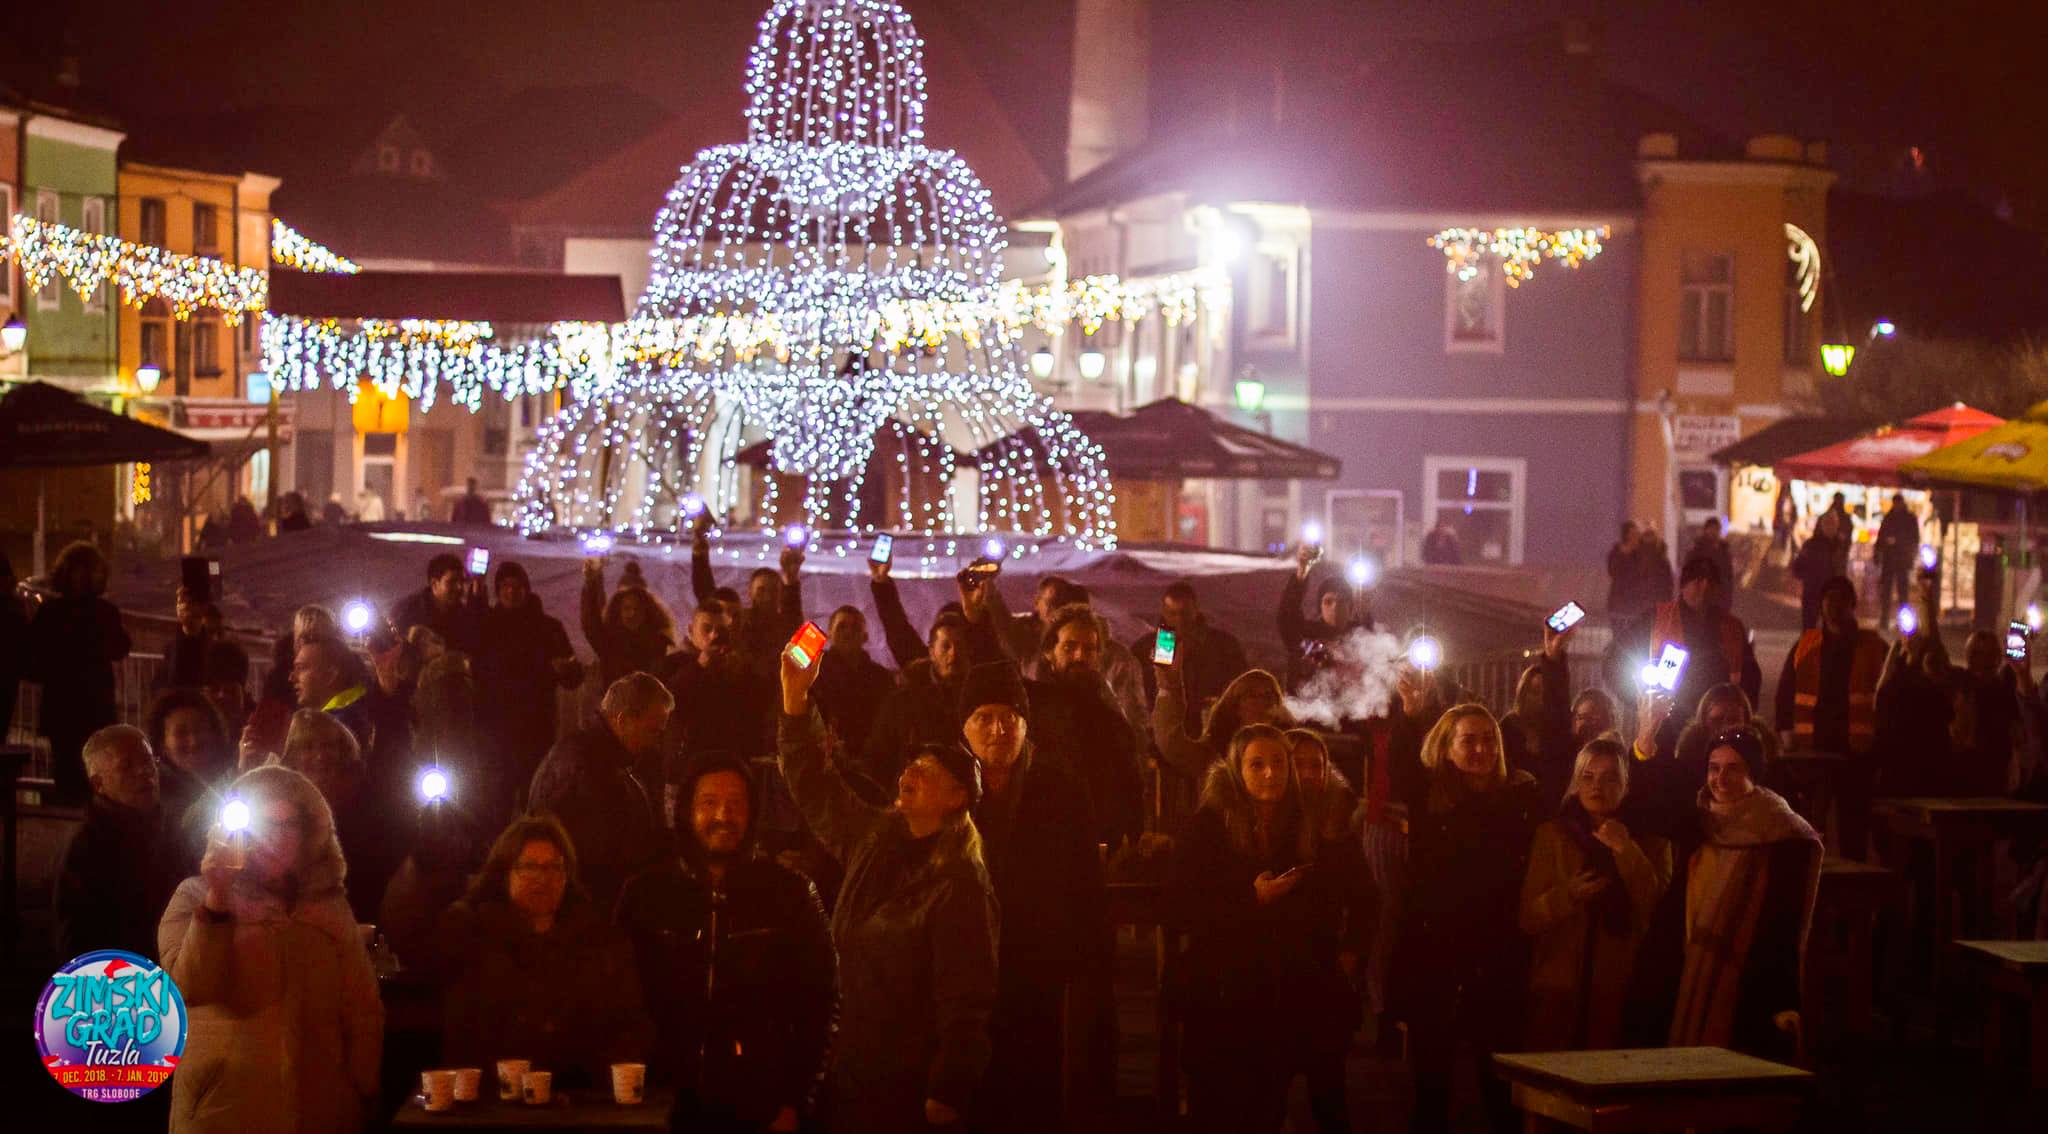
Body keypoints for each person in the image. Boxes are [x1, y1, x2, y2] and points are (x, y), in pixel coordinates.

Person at [777, 646, 998, 1132]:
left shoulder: (960, 884)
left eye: (927, 770)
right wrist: (796, 705)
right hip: (852, 1066)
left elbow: (967, 998)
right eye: (909, 765)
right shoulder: (873, 840)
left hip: (907, 1085)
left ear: (957, 797)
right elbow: (816, 786)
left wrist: (949, 1087)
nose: (908, 774)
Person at [616, 752, 836, 1132]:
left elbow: (822, 1003)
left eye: (735, 803)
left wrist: (797, 1100)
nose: (723, 815)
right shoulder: (646, 894)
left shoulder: (790, 894)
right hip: (662, 1101)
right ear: (686, 811)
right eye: (709, 802)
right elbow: (616, 999)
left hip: (759, 1103)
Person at [158, 763, 383, 1134]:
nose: (275, 838)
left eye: (288, 825)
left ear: (309, 834)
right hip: (224, 1111)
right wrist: (218, 898)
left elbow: (361, 1006)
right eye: (264, 824)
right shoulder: (193, 897)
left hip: (321, 1111)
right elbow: (190, 988)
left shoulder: (329, 907)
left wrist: (361, 1085)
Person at [953, 660, 1113, 1131]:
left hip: (1038, 966)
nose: (998, 730)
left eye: (1010, 717)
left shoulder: (1060, 789)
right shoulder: (946, 789)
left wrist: (1087, 960)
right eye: (984, 717)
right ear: (964, 725)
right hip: (962, 967)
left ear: (1025, 724)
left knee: (1035, 1089)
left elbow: (1085, 883)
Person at [1168, 723, 1351, 1132]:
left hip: (1283, 993)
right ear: (1237, 770)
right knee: (1219, 1106)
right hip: (1221, 991)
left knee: (1267, 1105)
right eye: (1257, 764)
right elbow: (1181, 907)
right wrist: (1251, 899)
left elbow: (1328, 900)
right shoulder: (1208, 826)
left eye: (1278, 763)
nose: (1270, 773)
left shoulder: (1304, 825)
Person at [1391, 704, 1543, 1134]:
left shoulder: (1519, 798)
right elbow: (1402, 766)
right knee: (1432, 1081)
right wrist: (1412, 713)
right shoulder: (1429, 798)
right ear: (1447, 747)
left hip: (1496, 957)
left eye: (1488, 739)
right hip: (1435, 956)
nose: (1480, 749)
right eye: (1468, 740)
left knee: (1500, 1081)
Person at [431, 815, 652, 1087]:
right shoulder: (474, 938)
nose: (542, 878)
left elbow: (626, 1024)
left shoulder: (599, 942)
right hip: (496, 1093)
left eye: (553, 867)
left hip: (579, 1093)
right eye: (529, 867)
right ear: (505, 873)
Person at [1669, 727, 1822, 1057]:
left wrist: (1783, 997)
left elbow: (1785, 924)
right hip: (1692, 966)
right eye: (1714, 768)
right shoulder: (1700, 821)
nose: (1720, 779)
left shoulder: (1780, 831)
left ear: (1752, 773)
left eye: (1733, 768)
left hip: (1747, 978)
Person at [1519, 739, 1672, 1050]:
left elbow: (1654, 908)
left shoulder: (1652, 840)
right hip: (1559, 985)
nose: (1596, 787)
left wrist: (1626, 850)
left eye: (1609, 778)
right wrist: (1568, 895)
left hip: (1618, 986)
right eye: (1587, 777)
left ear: (1626, 784)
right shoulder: (1553, 836)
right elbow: (1528, 917)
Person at [1286, 728, 1372, 1129]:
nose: (1308, 774)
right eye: (1298, 765)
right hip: (1274, 968)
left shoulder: (1338, 823)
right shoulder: (1262, 821)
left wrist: (1352, 950)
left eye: (1316, 766)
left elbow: (1366, 897)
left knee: (1329, 1085)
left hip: (1323, 966)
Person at [526, 672, 669, 909]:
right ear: (623, 720)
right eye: (652, 731)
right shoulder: (590, 766)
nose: (656, 743)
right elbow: (604, 854)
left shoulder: (602, 757)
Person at [1774, 576, 1887, 857]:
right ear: (1821, 605)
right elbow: (1786, 691)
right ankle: (1813, 879)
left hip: (1857, 753)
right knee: (1810, 828)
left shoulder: (1873, 646)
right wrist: (1786, 733)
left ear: (1852, 605)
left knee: (1854, 827)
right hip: (1814, 751)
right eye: (1829, 599)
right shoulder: (1806, 645)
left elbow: (1888, 696)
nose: (1834, 605)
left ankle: (1853, 877)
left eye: (1841, 599)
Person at [53, 725, 183, 961]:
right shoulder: (86, 847)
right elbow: (77, 940)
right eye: (126, 766)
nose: (144, 772)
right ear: (98, 784)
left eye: (148, 761)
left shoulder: (174, 827)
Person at [1027, 604, 1144, 848]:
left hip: (1097, 844)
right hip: (1040, 840)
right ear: (1049, 651)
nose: (1079, 656)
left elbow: (1130, 789)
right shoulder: (1031, 708)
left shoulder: (1111, 721)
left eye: (1088, 649)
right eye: (1069, 647)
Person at [475, 560, 582, 817]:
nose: (511, 591)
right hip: (495, 728)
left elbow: (572, 676)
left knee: (534, 798)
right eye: (505, 586)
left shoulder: (549, 628)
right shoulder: (486, 626)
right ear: (498, 590)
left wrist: (567, 670)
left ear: (527, 588)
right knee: (495, 801)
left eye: (517, 586)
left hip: (536, 728)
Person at [28, 540, 132, 801]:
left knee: (68, 773)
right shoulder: (103, 611)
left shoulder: (51, 611)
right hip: (92, 705)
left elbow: (34, 659)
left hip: (64, 705)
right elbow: (120, 648)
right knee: (95, 772)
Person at [859, 612, 973, 799]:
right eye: (946, 646)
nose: (953, 653)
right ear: (932, 652)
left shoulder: (981, 702)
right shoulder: (902, 703)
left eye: (960, 645)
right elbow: (877, 758)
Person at [660, 606, 778, 775]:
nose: (714, 636)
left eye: (721, 631)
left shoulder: (742, 670)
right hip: (690, 764)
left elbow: (760, 708)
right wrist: (701, 666)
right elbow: (671, 705)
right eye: (707, 629)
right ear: (691, 631)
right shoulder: (673, 664)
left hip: (735, 762)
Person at [1649, 556, 1761, 719]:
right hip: (1667, 719)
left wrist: (1744, 711)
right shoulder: (1657, 617)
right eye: (1698, 581)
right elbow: (1621, 658)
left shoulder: (1732, 626)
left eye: (1711, 582)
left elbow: (1750, 674)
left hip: (1718, 717)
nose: (1705, 587)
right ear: (1683, 585)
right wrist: (1640, 701)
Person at [692, 517, 804, 678]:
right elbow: (707, 598)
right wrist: (699, 555)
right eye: (761, 590)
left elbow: (792, 616)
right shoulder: (740, 622)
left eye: (773, 590)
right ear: (750, 592)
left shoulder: (784, 626)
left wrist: (790, 577)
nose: (767, 596)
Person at [1133, 581, 1250, 733]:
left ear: (1196, 610)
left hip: (1212, 728)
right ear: (1164, 612)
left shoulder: (1223, 645)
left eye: (1184, 613)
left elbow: (1242, 686)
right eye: (1173, 614)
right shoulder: (1145, 648)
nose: (1179, 620)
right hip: (1163, 730)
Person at [1153, 666, 1295, 783]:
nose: (1262, 702)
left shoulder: (1292, 750)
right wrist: (1169, 688)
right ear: (1236, 706)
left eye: (1268, 695)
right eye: (1252, 695)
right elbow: (1172, 744)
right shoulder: (1215, 754)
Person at [147, 688, 235, 870]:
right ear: (163, 745)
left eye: (200, 730)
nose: (193, 741)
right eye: (181, 733)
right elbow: (187, 831)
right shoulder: (155, 790)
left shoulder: (230, 773)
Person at [1499, 626, 1575, 804]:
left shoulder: (1558, 728)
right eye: (1535, 691)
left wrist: (1553, 656)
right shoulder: (1509, 727)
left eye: (1545, 692)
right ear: (1523, 694)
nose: (1541, 698)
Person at [1278, 547, 1370, 691]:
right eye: (1328, 602)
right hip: (1309, 703)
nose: (1335, 607)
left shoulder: (1361, 636)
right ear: (1320, 607)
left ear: (1350, 606)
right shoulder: (1307, 635)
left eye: (1342, 601)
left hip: (1354, 704)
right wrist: (1302, 572)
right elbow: (1287, 616)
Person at [809, 604, 896, 756]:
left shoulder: (882, 679)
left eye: (855, 627)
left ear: (865, 636)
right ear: (829, 634)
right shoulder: (812, 675)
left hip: (872, 759)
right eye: (841, 627)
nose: (848, 632)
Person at [581, 555, 677, 688]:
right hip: (616, 701)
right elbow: (591, 622)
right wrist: (590, 584)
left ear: (647, 611)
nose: (632, 613)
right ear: (618, 611)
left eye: (637, 609)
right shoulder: (609, 642)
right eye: (627, 608)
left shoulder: (659, 643)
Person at [392, 552, 486, 655]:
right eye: (452, 582)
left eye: (462, 581)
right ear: (434, 584)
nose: (459, 587)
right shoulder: (407, 612)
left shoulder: (463, 616)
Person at [290, 633, 371, 744]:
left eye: (301, 668)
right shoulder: (361, 713)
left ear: (331, 674)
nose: (292, 677)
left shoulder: (334, 731)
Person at [1792, 510, 1849, 630]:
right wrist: (1811, 578)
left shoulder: (1840, 545)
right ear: (1822, 525)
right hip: (1813, 594)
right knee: (1810, 629)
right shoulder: (1811, 545)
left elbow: (1841, 569)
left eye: (1833, 523)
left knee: (1831, 630)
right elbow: (1798, 568)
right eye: (1827, 523)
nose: (1830, 527)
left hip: (1833, 596)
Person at [1875, 493, 1920, 614]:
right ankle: (1887, 617)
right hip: (1892, 559)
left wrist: (1897, 541)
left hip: (1900, 559)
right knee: (1889, 591)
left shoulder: (1905, 518)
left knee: (1901, 591)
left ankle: (1899, 617)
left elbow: (1914, 538)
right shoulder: (1891, 517)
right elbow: (1881, 536)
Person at [1684, 517, 1736, 604]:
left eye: (1717, 529)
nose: (1714, 532)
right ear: (1705, 530)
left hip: (1721, 597)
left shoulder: (1724, 551)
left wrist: (1728, 597)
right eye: (1711, 529)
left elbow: (1728, 575)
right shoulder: (1697, 550)